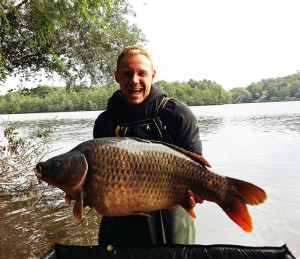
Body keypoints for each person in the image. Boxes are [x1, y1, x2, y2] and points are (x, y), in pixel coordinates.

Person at [93, 46, 203, 246]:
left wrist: (196, 194)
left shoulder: (177, 114)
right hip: (121, 225)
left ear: (152, 75)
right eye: (127, 73)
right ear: (117, 77)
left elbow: (198, 169)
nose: (134, 80)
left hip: (172, 222)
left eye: (141, 73)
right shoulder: (105, 122)